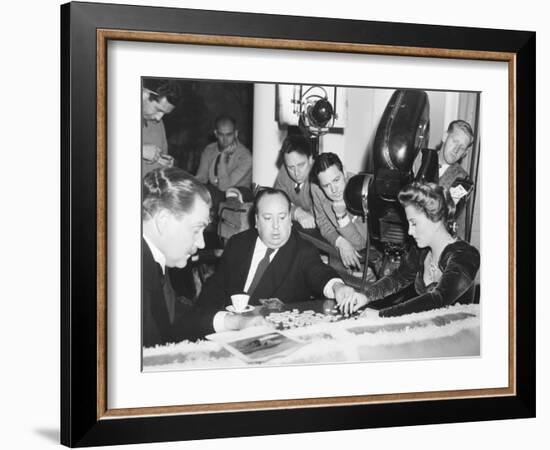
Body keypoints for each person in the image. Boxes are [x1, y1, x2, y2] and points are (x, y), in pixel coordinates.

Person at [195, 188, 360, 336]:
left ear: (289, 218)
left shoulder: (302, 251)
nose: (276, 227)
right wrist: (209, 322)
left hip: (267, 336)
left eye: (282, 218)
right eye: (268, 218)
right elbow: (216, 286)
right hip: (225, 327)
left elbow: (319, 273)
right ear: (256, 220)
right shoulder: (238, 243)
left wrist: (338, 287)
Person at [142, 168, 260, 347]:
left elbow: (173, 317)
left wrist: (231, 321)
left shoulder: (154, 258)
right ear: (163, 220)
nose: (202, 243)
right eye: (196, 229)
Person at [338, 182, 480, 318]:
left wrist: (382, 316)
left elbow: (438, 299)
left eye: (414, 223)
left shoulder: (465, 255)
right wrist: (365, 296)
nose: (410, 232)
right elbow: (397, 278)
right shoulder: (421, 251)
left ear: (435, 218)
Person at [310, 152, 367, 271]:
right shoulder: (316, 188)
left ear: (344, 172)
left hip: (367, 256)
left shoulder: (360, 191)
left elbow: (360, 244)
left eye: (336, 180)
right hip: (340, 250)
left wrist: (341, 216)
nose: (334, 190)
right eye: (326, 186)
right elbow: (324, 224)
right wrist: (340, 242)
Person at [195, 115, 253, 196]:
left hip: (238, 198)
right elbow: (201, 179)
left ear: (236, 134)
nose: (225, 140)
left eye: (229, 135)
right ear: (216, 133)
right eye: (221, 135)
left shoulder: (245, 157)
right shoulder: (209, 150)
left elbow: (224, 188)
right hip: (214, 195)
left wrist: (223, 158)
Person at [273, 134, 316, 229]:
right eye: (291, 167)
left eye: (301, 165)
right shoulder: (284, 170)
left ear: (310, 159)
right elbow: (276, 202)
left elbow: (319, 216)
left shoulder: (318, 176)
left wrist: (289, 209)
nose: (296, 173)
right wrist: (296, 212)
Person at [142, 79, 182, 175]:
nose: (159, 118)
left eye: (164, 113)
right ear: (144, 94)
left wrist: (163, 162)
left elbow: (161, 155)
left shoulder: (158, 124)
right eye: (158, 109)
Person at [437, 119, 475, 206]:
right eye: (455, 141)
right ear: (445, 136)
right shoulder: (418, 158)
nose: (456, 150)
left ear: (464, 153)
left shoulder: (463, 181)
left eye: (462, 148)